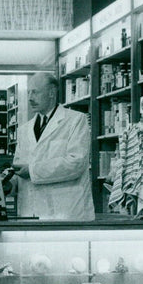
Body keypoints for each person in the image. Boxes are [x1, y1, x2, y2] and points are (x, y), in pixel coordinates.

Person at [9, 72, 94, 220]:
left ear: (52, 93)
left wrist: (32, 170)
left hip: (66, 213)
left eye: (35, 92)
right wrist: (9, 184)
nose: (30, 98)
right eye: (28, 92)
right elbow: (20, 169)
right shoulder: (24, 130)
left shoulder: (75, 120)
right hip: (30, 212)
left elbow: (76, 163)